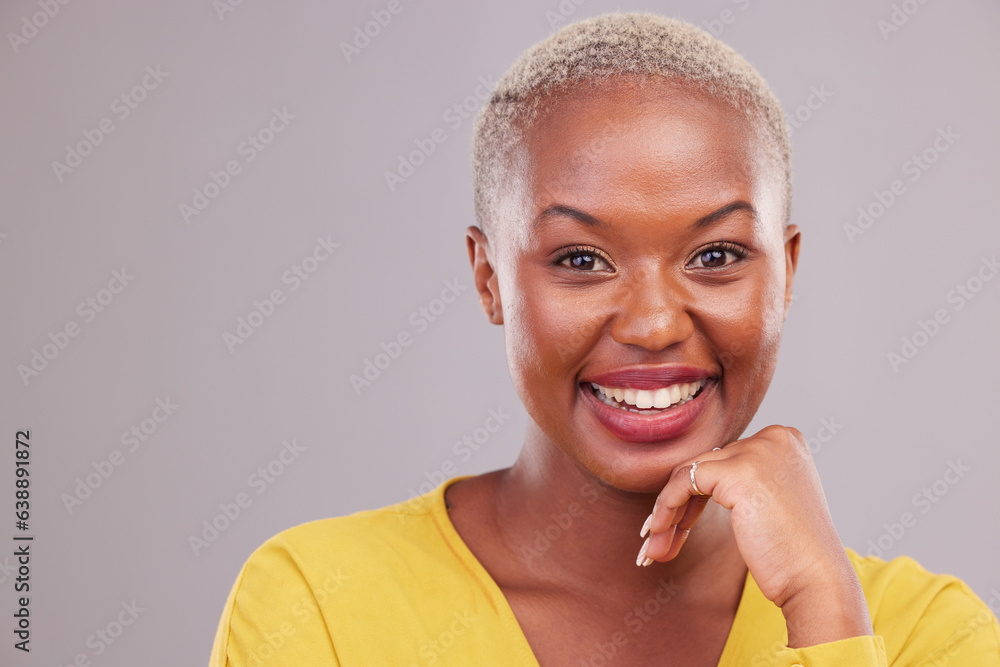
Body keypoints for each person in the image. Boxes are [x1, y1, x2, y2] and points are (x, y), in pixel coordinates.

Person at [208, 12, 1000, 666]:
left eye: (715, 255)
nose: (654, 323)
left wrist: (826, 617)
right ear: (489, 278)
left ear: (785, 273)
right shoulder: (317, 606)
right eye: (581, 259)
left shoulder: (928, 633)